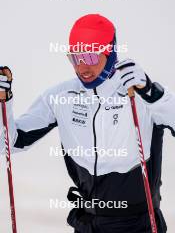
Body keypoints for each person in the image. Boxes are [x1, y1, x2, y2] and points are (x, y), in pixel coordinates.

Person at [0, 14, 174, 233]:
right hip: (87, 223)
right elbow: (9, 144)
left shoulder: (140, 92)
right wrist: (2, 104)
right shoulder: (61, 97)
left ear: (109, 53)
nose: (82, 67)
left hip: (136, 224)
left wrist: (152, 93)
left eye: (90, 57)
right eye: (75, 58)